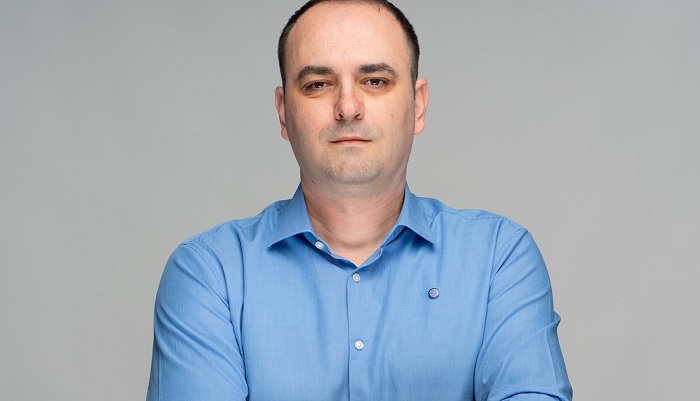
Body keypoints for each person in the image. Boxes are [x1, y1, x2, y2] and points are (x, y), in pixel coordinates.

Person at [146, 0, 573, 400]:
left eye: (375, 81)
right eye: (317, 84)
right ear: (283, 112)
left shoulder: (499, 257)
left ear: (418, 105)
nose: (348, 107)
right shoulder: (209, 273)